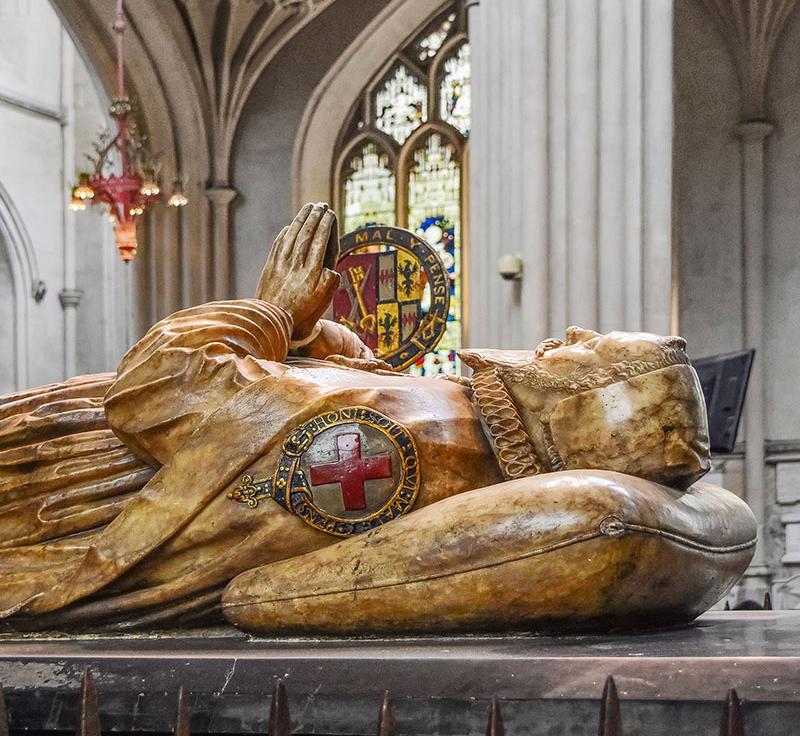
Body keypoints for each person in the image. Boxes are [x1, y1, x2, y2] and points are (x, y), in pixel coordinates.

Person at [0, 205, 756, 633]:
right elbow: (316, 413)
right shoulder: (468, 439)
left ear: (589, 405)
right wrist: (329, 350)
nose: (570, 337)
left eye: (590, 351)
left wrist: (272, 311)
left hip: (52, 491)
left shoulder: (397, 449)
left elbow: (157, 391)